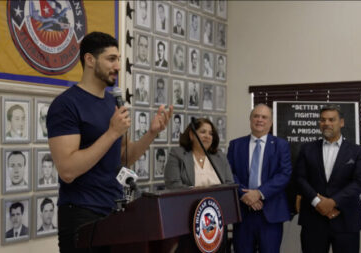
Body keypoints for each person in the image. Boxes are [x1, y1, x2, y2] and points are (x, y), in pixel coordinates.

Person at [47, 31, 172, 253]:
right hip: (82, 215)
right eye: (111, 59)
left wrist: (151, 133)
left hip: (113, 212)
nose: (118, 66)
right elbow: (67, 170)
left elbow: (123, 159)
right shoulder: (65, 105)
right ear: (89, 60)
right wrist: (112, 133)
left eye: (118, 59)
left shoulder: (112, 103)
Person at [295, 105, 361, 253]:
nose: (327, 123)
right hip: (313, 220)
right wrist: (318, 202)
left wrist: (332, 202)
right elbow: (300, 178)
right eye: (323, 120)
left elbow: (360, 182)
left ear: (341, 122)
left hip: (346, 220)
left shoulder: (357, 151)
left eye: (331, 119)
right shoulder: (307, 149)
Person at [227, 104, 292, 253]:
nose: (259, 120)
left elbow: (284, 174)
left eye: (264, 117)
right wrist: (244, 195)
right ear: (250, 120)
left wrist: (258, 193)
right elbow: (228, 174)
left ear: (271, 122)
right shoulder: (236, 145)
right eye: (256, 116)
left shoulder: (281, 145)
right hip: (243, 212)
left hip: (270, 213)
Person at [165, 118, 234, 252]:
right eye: (203, 132)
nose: (207, 136)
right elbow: (173, 185)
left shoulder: (219, 156)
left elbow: (229, 184)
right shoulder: (178, 154)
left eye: (210, 133)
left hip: (216, 222)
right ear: (192, 134)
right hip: (189, 221)